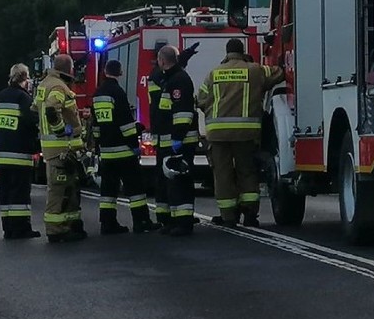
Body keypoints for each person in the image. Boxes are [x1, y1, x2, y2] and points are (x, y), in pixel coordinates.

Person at [197, 38, 284, 227]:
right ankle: (250, 215)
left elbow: (201, 99)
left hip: (218, 134)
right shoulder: (254, 70)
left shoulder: (213, 74)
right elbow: (278, 73)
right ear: (242, 51)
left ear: (226, 53)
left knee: (223, 174)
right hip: (246, 133)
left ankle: (228, 217)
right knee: (247, 171)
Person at [92, 59, 157, 235]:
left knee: (108, 191)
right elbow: (126, 125)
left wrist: (99, 145)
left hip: (106, 152)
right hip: (123, 152)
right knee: (135, 189)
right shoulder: (118, 92)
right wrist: (135, 141)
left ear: (105, 72)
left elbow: (96, 126)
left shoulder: (98, 94)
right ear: (120, 73)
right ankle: (141, 221)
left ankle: (107, 223)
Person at [34, 54, 87, 243]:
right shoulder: (57, 86)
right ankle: (56, 229)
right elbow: (50, 109)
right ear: (69, 69)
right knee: (59, 190)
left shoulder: (44, 84)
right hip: (60, 149)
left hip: (58, 149)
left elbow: (36, 109)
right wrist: (60, 131)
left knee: (69, 188)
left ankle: (71, 224)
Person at [146, 42, 199, 225]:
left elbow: (182, 113)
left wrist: (177, 137)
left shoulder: (177, 80)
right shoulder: (169, 78)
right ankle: (168, 219)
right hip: (167, 139)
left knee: (179, 182)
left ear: (160, 61)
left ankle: (182, 221)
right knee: (166, 182)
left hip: (178, 140)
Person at [0, 64, 41, 239]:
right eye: (27, 77)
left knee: (5, 194)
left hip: (2, 155)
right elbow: (32, 123)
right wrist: (36, 145)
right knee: (20, 194)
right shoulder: (24, 98)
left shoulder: (1, 96)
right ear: (23, 77)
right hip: (20, 155)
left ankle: (8, 228)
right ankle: (21, 228)